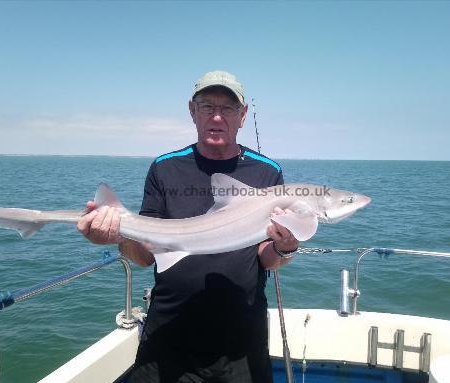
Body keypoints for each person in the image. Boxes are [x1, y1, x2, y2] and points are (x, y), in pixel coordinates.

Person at [77, 70, 299, 382]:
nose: (217, 117)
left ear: (243, 115)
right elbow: (144, 257)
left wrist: (285, 247)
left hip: (241, 344)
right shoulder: (165, 168)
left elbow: (267, 257)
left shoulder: (268, 173)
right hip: (169, 339)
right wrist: (118, 237)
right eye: (207, 106)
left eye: (228, 108)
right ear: (192, 111)